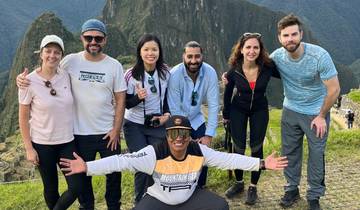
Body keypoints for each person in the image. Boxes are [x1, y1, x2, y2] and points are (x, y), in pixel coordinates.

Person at [59, 115, 288, 210]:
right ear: (166, 135)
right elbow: (121, 161)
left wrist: (262, 163)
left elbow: (228, 158)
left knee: (220, 206)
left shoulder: (199, 151)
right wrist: (87, 167)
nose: (178, 138)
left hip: (189, 198)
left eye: (184, 133)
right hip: (160, 200)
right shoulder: (153, 153)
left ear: (189, 136)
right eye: (173, 133)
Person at [17, 19, 127, 210]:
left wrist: (117, 130)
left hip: (107, 133)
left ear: (105, 40)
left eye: (98, 38)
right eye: (88, 37)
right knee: (82, 184)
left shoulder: (114, 65)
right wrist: (21, 80)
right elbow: (43, 79)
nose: (93, 41)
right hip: (79, 134)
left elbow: (121, 100)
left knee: (113, 176)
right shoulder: (70, 61)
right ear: (82, 38)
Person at [271, 14, 340, 210]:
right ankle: (291, 189)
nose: (290, 39)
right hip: (290, 110)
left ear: (301, 34)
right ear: (279, 38)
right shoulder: (277, 57)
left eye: (294, 34)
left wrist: (321, 116)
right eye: (286, 35)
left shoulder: (319, 56)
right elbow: (254, 68)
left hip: (316, 113)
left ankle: (314, 196)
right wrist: (229, 76)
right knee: (290, 152)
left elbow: (334, 89)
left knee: (316, 155)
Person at [18, 35, 84, 210]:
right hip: (42, 144)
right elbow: (23, 118)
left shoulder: (66, 76)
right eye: (48, 51)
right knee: (51, 189)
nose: (52, 55)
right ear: (41, 54)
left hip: (67, 142)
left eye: (57, 52)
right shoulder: (28, 82)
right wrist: (29, 148)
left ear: (61, 55)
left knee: (77, 186)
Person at [222, 32, 280, 205]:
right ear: (241, 50)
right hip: (238, 109)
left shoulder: (268, 67)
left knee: (256, 148)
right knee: (238, 148)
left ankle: (253, 186)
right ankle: (239, 183)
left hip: (260, 110)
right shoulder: (233, 72)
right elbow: (227, 95)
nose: (252, 51)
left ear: (260, 50)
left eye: (256, 47)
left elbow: (289, 73)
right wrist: (226, 115)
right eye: (248, 47)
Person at [123, 34, 171, 203]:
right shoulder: (130, 75)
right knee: (143, 164)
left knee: (159, 162)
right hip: (134, 125)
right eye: (146, 49)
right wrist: (137, 98)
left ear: (159, 52)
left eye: (154, 49)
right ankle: (140, 202)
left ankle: (156, 200)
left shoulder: (165, 72)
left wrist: (167, 115)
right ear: (140, 52)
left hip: (156, 124)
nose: (150, 53)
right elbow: (125, 104)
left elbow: (166, 99)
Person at [167, 41, 220, 188]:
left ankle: (200, 188)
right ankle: (181, 188)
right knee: (179, 154)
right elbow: (174, 109)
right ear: (183, 56)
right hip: (178, 121)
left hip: (196, 119)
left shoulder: (210, 72)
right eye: (189, 56)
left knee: (203, 154)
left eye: (197, 56)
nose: (193, 61)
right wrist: (186, 136)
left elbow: (214, 105)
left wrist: (209, 136)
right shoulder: (175, 74)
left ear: (202, 56)